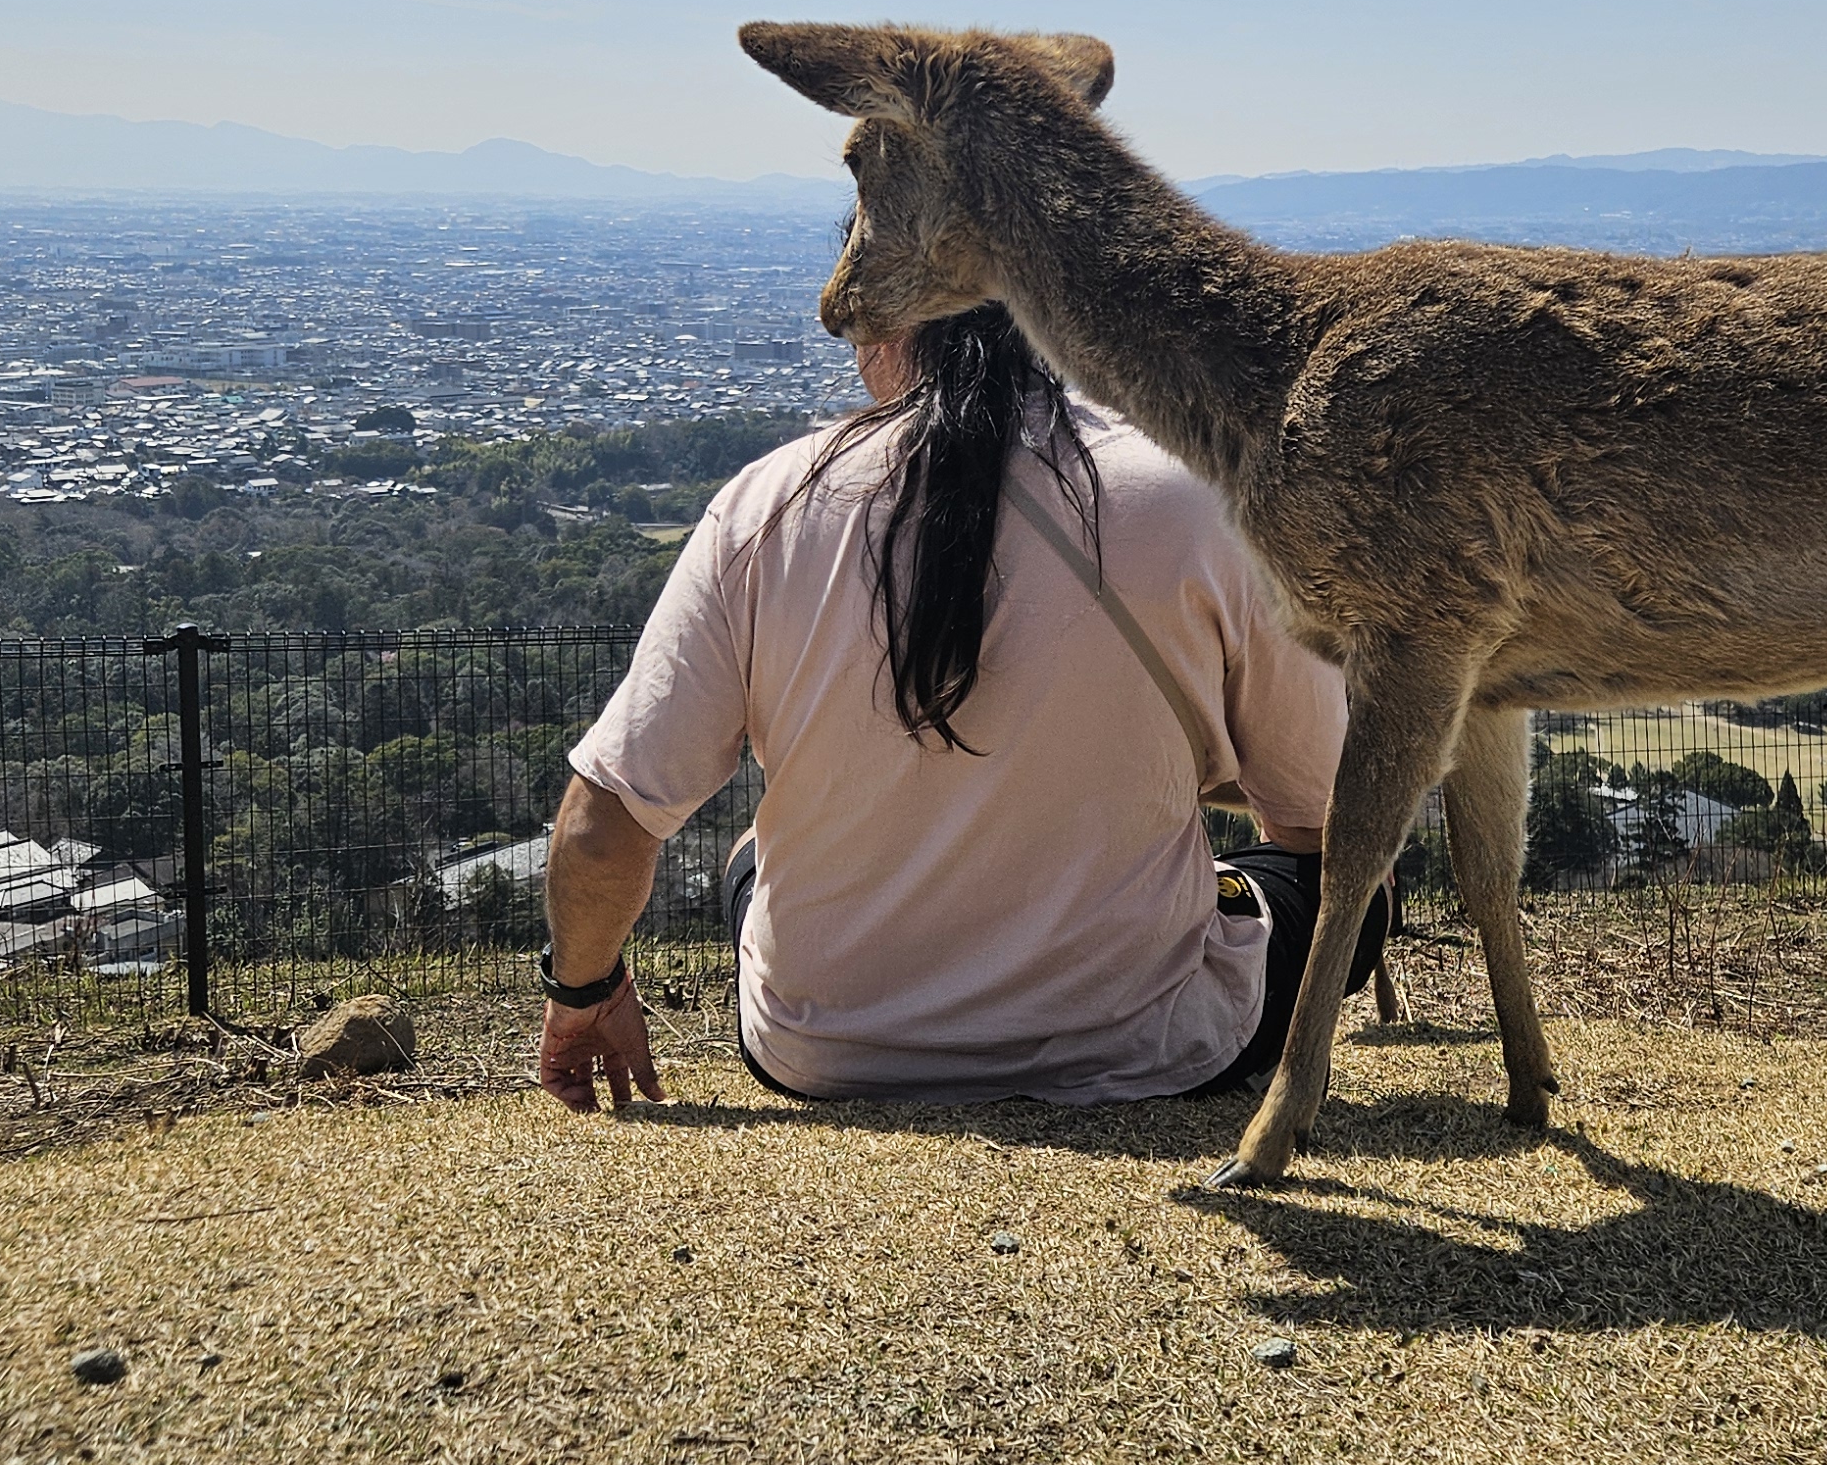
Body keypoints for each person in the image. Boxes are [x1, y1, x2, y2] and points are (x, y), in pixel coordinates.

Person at [533, 305, 1383, 1114]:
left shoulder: (764, 508)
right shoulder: (1197, 498)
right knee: (1358, 894)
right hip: (1144, 1041)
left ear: (875, 316)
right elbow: (1324, 823)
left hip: (822, 1051)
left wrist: (585, 993)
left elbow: (602, 829)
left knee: (751, 854)